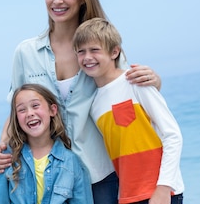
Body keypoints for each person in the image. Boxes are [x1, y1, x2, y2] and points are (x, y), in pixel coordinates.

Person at [0, 0, 162, 204]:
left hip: (102, 173)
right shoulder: (25, 52)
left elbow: (130, 96)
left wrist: (154, 81)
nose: (57, 0)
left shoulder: (101, 50)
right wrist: (3, 151)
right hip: (52, 177)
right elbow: (15, 109)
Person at [73, 18, 184, 204]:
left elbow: (172, 135)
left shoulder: (136, 82)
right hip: (127, 196)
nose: (87, 57)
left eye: (94, 50)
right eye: (81, 52)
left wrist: (164, 188)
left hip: (161, 194)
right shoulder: (94, 104)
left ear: (114, 52)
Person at [0, 84, 93, 204]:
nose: (30, 113)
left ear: (52, 110)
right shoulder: (9, 158)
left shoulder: (71, 162)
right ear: (16, 119)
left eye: (35, 105)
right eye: (22, 110)